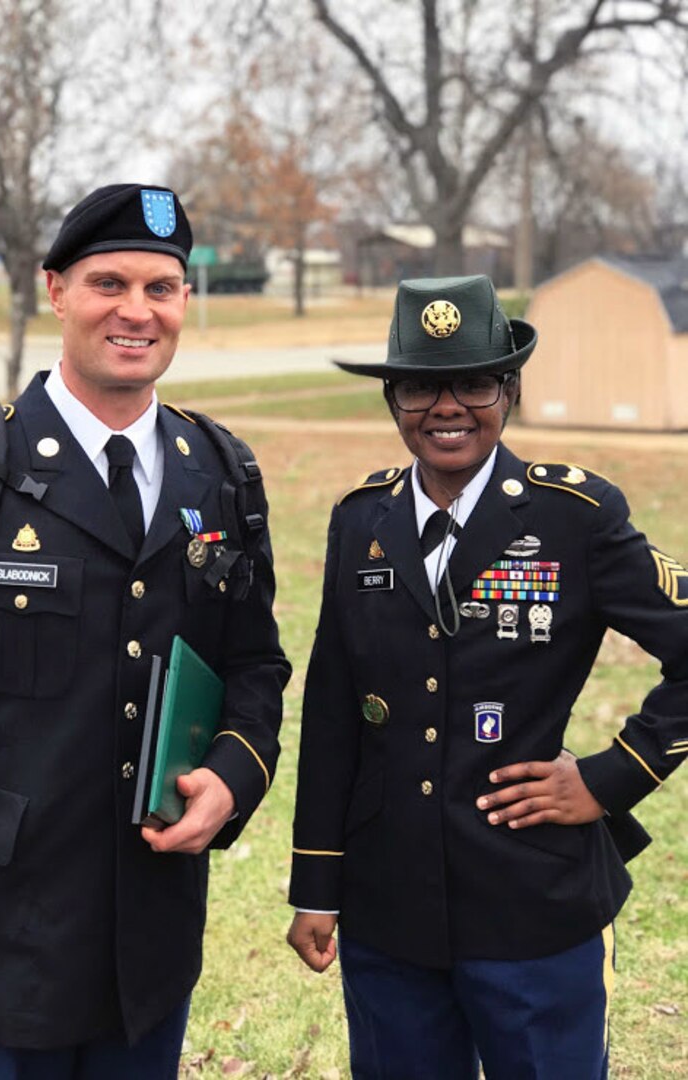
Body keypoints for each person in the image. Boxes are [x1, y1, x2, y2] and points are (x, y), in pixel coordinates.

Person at [0, 183, 290, 1078]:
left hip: (146, 941)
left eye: (161, 288)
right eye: (108, 283)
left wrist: (230, 776)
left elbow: (256, 665)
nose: (136, 311)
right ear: (55, 289)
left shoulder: (220, 474)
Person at [286, 275, 688, 1079]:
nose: (447, 409)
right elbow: (332, 709)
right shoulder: (359, 519)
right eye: (420, 389)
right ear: (391, 400)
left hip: (533, 907)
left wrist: (613, 776)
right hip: (388, 908)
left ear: (508, 389)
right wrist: (316, 881)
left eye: (472, 384)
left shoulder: (573, 517)